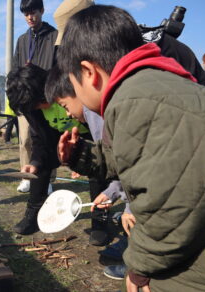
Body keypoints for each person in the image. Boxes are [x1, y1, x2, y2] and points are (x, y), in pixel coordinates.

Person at [57, 4, 205, 291]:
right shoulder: (148, 86)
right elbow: (136, 158)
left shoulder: (137, 99)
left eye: (72, 84)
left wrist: (140, 266)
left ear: (88, 72)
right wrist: (82, 156)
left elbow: (173, 206)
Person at [45, 65, 132, 278]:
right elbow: (120, 162)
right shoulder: (98, 112)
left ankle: (136, 269)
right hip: (136, 191)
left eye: (65, 105)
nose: (67, 114)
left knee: (134, 226)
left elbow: (136, 166)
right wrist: (112, 191)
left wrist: (130, 208)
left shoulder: (97, 114)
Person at [6, 64, 91, 235]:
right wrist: (35, 162)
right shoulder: (32, 105)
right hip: (56, 140)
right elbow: (40, 139)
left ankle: (99, 220)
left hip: (89, 135)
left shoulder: (69, 89)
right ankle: (34, 213)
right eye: (33, 107)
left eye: (39, 103)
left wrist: (82, 159)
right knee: (39, 168)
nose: (38, 108)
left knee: (96, 168)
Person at [12, 0, 58, 193]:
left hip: (47, 99)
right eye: (26, 14)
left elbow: (59, 67)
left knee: (48, 139)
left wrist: (53, 93)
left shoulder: (55, 36)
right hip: (26, 98)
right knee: (25, 140)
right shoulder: (22, 40)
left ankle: (48, 179)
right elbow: (16, 67)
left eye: (33, 12)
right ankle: (27, 177)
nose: (30, 17)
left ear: (42, 11)